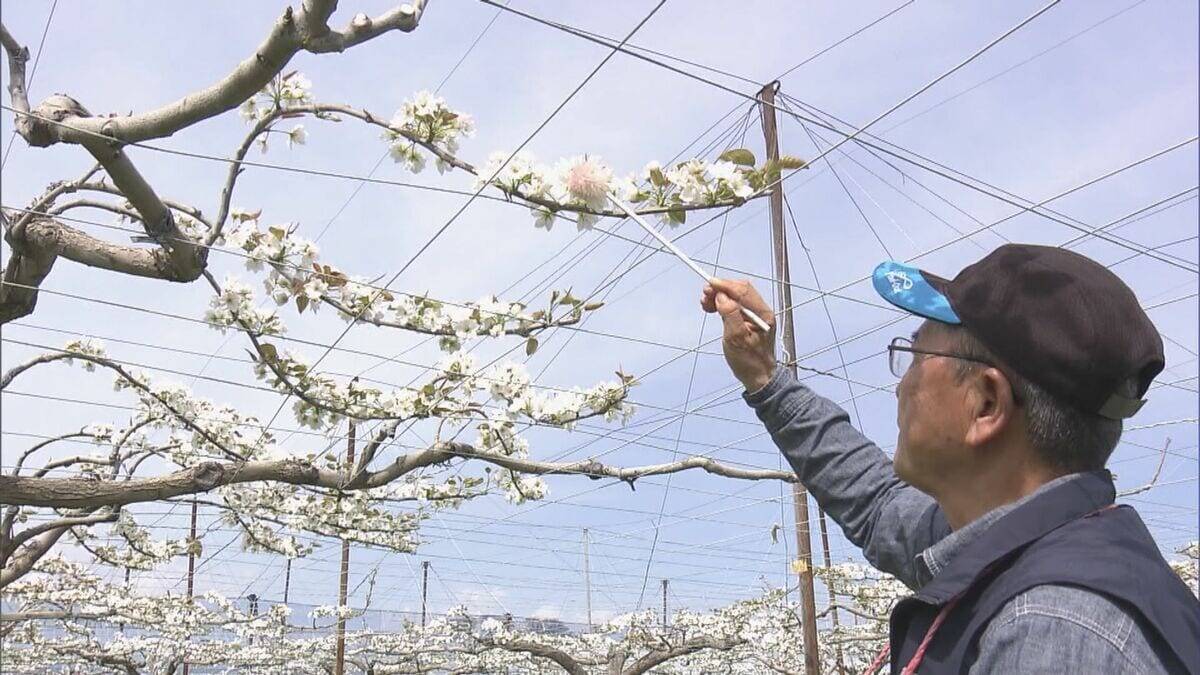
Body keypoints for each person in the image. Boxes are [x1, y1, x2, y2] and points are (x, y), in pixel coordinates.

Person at [701, 243, 1199, 673]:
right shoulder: (1031, 549)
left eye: (914, 356)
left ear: (985, 403)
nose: (900, 386)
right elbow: (878, 506)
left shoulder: (1051, 630)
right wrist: (766, 377)